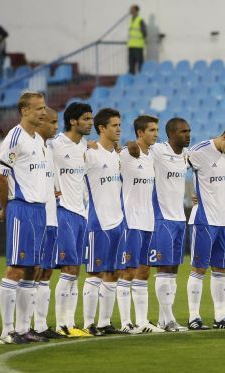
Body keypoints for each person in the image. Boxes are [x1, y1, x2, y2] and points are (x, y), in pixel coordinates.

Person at [0, 91, 49, 344]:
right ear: (24, 111)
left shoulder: (38, 138)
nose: (43, 112)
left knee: (33, 270)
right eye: (38, 108)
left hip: (39, 209)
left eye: (44, 107)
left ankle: (23, 328)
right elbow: (0, 176)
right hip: (22, 207)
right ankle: (7, 331)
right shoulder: (15, 137)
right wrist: (6, 208)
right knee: (16, 268)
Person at [186, 124, 225, 330]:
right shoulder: (199, 151)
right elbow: (174, 167)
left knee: (220, 269)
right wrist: (189, 193)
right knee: (199, 268)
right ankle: (194, 317)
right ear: (224, 137)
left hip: (224, 220)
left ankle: (220, 317)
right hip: (204, 219)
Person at [119, 115, 166, 334]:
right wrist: (128, 143)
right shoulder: (126, 154)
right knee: (127, 271)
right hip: (130, 219)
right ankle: (125, 322)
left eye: (156, 130)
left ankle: (142, 321)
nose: (156, 134)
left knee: (144, 270)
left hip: (148, 220)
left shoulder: (152, 156)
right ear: (140, 133)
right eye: (152, 130)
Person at [83, 108, 129, 335]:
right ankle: (88, 324)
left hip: (118, 221)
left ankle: (104, 323)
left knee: (113, 273)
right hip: (97, 221)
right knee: (94, 273)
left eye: (120, 125)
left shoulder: (119, 156)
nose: (119, 129)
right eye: (114, 125)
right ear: (101, 128)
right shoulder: (89, 154)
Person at [51, 102, 93, 338]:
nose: (91, 123)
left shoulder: (85, 146)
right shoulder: (55, 145)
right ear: (73, 121)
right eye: (86, 119)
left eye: (91, 118)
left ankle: (70, 323)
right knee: (67, 269)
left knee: (75, 269)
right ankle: (60, 324)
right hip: (64, 211)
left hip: (81, 213)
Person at [148, 118, 191, 332]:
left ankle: (164, 320)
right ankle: (169, 318)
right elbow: (136, 147)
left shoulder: (185, 155)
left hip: (179, 219)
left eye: (189, 131)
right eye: (184, 131)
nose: (188, 135)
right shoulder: (157, 151)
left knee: (173, 270)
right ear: (172, 134)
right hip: (162, 218)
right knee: (163, 268)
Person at [32, 107, 64, 340]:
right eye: (52, 122)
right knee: (32, 272)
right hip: (37, 218)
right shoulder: (29, 146)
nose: (56, 126)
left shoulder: (51, 147)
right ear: (40, 122)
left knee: (46, 273)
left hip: (52, 218)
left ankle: (41, 325)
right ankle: (26, 325)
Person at [128, 5, 147, 74]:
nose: (130, 11)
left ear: (136, 10)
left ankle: (141, 78)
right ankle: (131, 78)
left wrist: (142, 39)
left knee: (140, 63)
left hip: (138, 46)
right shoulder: (131, 20)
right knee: (131, 63)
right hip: (131, 45)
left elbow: (145, 32)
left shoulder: (140, 20)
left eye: (132, 9)